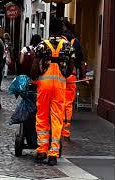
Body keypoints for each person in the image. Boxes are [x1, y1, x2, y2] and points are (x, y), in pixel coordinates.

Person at [30, 17, 75, 166]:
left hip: (44, 84)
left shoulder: (42, 45)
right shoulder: (68, 46)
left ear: (49, 29)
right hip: (60, 85)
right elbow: (70, 68)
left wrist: (34, 77)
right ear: (62, 29)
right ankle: (53, 153)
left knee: (42, 115)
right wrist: (63, 74)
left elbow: (35, 66)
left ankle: (42, 149)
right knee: (57, 117)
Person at [61, 22, 87, 141]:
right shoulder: (75, 42)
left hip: (57, 76)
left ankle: (56, 127)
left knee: (57, 102)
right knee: (68, 104)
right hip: (71, 76)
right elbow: (81, 61)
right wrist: (83, 76)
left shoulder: (57, 41)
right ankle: (65, 131)